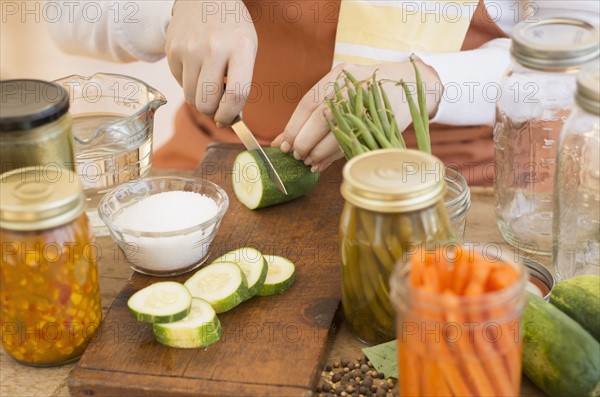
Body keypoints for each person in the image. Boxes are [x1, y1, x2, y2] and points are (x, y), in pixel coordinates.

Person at [47, 0, 599, 185]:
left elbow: (585, 57)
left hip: (463, 196)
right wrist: (170, 10)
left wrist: (433, 82)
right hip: (222, 170)